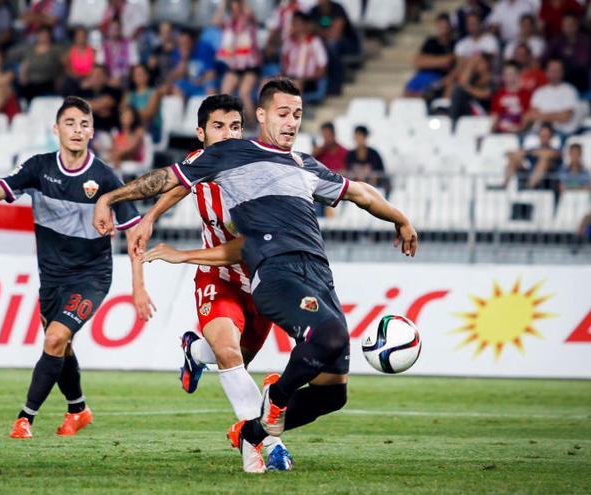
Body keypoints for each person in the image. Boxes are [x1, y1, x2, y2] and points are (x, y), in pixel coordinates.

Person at [93, 78, 418, 473]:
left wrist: (400, 219)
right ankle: (275, 397)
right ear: (261, 116)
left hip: (319, 274)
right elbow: (167, 179)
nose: (292, 122)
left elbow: (360, 193)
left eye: (297, 115)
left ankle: (253, 431)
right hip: (275, 269)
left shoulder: (304, 164)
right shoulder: (233, 154)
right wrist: (112, 198)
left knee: (332, 394)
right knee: (327, 335)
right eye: (283, 114)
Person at [0, 96, 155, 439]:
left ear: (92, 132)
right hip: (52, 278)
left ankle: (25, 419)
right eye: (70, 123)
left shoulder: (105, 179)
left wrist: (138, 287)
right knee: (62, 346)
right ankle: (79, 409)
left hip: (92, 276)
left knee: (54, 338)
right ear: (56, 129)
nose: (77, 130)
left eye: (84, 124)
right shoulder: (39, 168)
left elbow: (134, 236)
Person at [121, 94, 294, 472]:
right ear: (201, 133)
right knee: (231, 355)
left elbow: (245, 245)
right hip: (216, 278)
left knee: (238, 364)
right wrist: (150, 216)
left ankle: (195, 353)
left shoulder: (259, 170)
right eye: (219, 127)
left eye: (235, 126)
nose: (229, 134)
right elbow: (181, 184)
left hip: (260, 281)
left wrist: (181, 254)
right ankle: (266, 445)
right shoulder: (199, 164)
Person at [404, 13, 455, 97]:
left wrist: (429, 61)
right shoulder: (430, 41)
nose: (442, 27)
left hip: (440, 78)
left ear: (450, 26)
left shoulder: (454, 44)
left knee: (426, 93)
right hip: (424, 75)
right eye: (440, 24)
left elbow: (448, 61)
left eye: (445, 25)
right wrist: (441, 61)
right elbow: (418, 61)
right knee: (407, 93)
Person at [280, 12, 328, 102]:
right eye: (294, 23)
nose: (296, 27)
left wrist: (308, 77)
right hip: (290, 78)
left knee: (297, 83)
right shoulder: (289, 42)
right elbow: (284, 64)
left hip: (309, 81)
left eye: (299, 24)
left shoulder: (315, 42)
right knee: (266, 83)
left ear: (306, 25)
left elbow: (322, 68)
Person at [525, 58, 580, 135]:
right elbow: (532, 115)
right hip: (540, 133)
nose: (554, 73)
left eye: (557, 71)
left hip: (561, 133)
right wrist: (556, 115)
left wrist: (542, 116)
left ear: (562, 72)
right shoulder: (539, 92)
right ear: (546, 72)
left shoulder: (570, 91)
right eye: (551, 70)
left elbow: (565, 117)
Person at [491, 60, 532, 134]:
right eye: (505, 74)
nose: (507, 77)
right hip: (501, 132)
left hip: (519, 133)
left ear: (517, 75)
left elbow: (528, 117)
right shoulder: (498, 95)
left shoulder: (526, 94)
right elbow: (495, 117)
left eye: (510, 74)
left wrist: (519, 129)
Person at [346, 125, 389, 192]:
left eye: (360, 136)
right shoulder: (350, 155)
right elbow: (348, 173)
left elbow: (380, 174)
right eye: (356, 136)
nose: (358, 139)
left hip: (374, 189)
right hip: (355, 190)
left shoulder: (374, 154)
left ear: (365, 137)